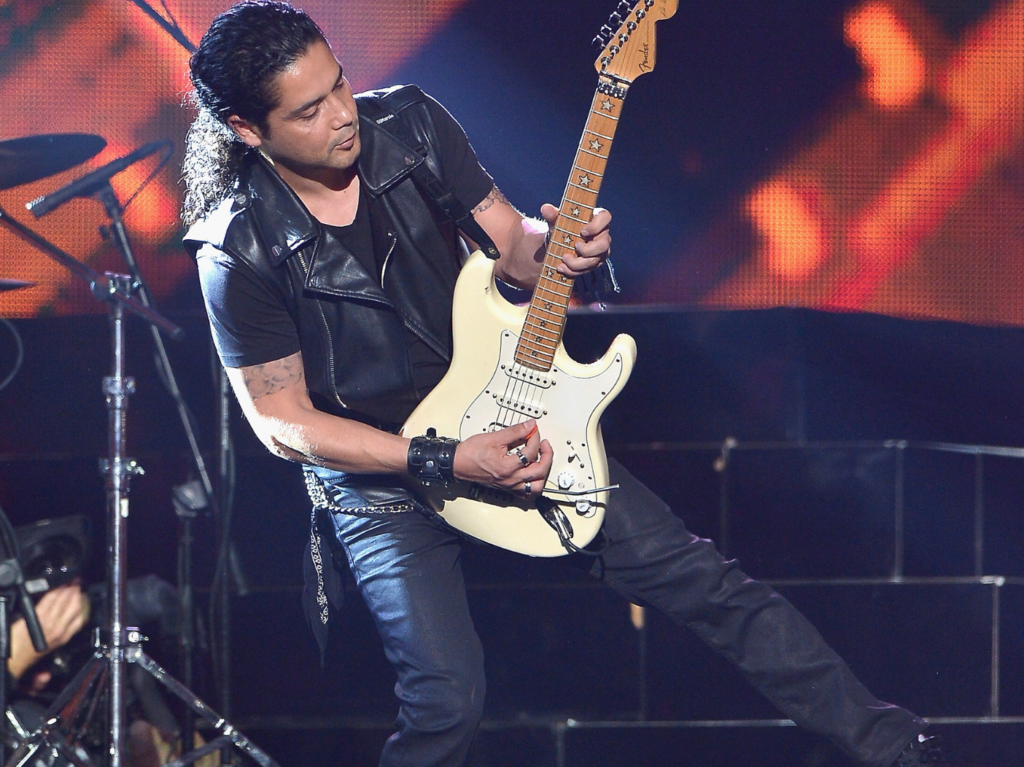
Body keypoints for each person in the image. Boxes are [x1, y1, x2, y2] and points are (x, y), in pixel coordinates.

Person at [181, 3, 945, 765]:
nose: (343, 116)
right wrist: (442, 459)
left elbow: (511, 240)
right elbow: (281, 419)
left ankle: (893, 746)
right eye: (311, 111)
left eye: (340, 86)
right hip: (386, 483)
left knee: (707, 582)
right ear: (249, 129)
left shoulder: (409, 124)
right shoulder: (235, 243)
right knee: (447, 698)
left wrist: (560, 245)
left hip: (513, 415)